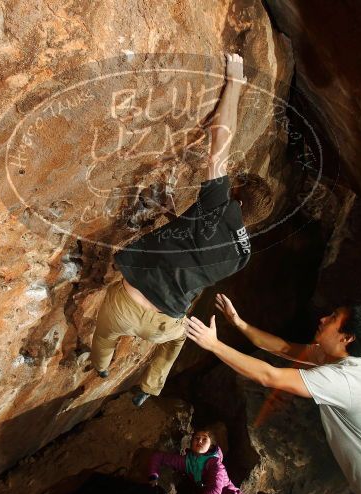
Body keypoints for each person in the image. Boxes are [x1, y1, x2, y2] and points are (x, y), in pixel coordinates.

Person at [90, 53, 274, 406]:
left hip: (126, 305)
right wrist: (178, 219)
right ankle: (149, 389)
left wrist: (235, 81)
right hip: (163, 325)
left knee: (104, 336)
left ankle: (101, 367)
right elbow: (197, 249)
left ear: (235, 196)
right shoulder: (243, 256)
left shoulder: (219, 205)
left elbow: (220, 143)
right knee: (177, 341)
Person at [185, 295, 361, 494]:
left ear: (346, 337)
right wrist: (238, 323)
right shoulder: (341, 357)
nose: (323, 318)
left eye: (333, 318)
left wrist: (214, 345)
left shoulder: (345, 380)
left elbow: (269, 376)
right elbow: (284, 348)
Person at [149, 428, 248, 494]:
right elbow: (159, 457)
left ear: (211, 445)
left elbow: (214, 492)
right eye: (197, 438)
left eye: (204, 439)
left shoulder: (216, 465)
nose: (199, 441)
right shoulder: (188, 462)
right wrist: (153, 476)